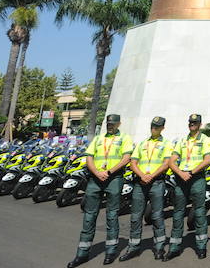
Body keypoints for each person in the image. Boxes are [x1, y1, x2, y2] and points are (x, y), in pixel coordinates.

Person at [67, 114, 134, 268]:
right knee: (89, 216)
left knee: (112, 215)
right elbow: (89, 157)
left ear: (119, 124)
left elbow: (126, 158)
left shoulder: (124, 138)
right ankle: (82, 253)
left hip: (114, 179)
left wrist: (108, 172)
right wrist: (97, 172)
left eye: (113, 123)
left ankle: (111, 251)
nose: (110, 125)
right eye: (108, 123)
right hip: (95, 179)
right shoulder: (98, 139)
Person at [120, 116, 173, 262]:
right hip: (140, 183)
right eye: (152, 126)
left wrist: (151, 176)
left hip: (156, 183)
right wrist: (143, 176)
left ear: (162, 128)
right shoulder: (142, 143)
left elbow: (166, 164)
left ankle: (159, 247)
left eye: (157, 126)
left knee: (157, 216)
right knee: (135, 217)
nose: (154, 128)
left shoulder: (167, 144)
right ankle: (134, 247)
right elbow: (133, 163)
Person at [164, 113, 210, 261]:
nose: (192, 124)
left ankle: (201, 246)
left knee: (199, 212)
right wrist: (181, 172)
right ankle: (174, 247)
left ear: (200, 124)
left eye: (195, 122)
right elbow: (172, 161)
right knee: (178, 213)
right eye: (190, 122)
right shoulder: (182, 140)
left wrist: (191, 172)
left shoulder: (205, 140)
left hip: (197, 179)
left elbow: (207, 160)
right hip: (182, 179)